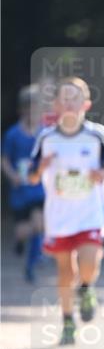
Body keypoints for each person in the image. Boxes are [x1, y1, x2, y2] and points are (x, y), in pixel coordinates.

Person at [28, 77, 104, 345]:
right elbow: (32, 176)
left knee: (90, 260)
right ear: (56, 105)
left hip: (90, 211)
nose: (70, 103)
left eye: (75, 98)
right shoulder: (46, 138)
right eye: (64, 98)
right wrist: (41, 169)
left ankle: (87, 287)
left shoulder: (96, 134)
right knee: (65, 270)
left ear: (86, 104)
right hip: (59, 215)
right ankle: (68, 320)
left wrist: (103, 172)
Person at [1, 85, 45, 282]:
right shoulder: (13, 134)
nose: (33, 113)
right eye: (29, 108)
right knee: (23, 230)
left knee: (39, 225)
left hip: (38, 188)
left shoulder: (44, 133)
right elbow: (5, 159)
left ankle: (31, 265)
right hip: (20, 189)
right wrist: (12, 176)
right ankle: (19, 241)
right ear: (22, 109)